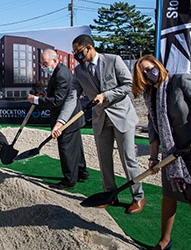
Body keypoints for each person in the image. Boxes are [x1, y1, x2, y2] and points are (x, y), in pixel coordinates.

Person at [132, 55, 191, 250]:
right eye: (142, 73)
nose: (147, 73)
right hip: (172, 150)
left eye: (148, 68)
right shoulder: (150, 95)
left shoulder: (181, 81)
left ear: (157, 65)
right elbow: (154, 126)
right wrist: (152, 157)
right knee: (168, 195)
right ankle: (165, 241)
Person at [59, 34, 145, 214]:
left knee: (128, 158)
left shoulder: (113, 60)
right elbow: (72, 97)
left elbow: (128, 85)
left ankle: (138, 197)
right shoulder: (80, 71)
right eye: (74, 52)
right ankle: (110, 195)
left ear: (89, 48)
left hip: (122, 116)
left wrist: (106, 95)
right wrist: (61, 121)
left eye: (78, 52)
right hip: (101, 120)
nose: (76, 56)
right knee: (104, 160)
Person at [27, 49, 89, 190]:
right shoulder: (60, 71)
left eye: (46, 63)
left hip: (67, 118)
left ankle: (69, 180)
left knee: (66, 148)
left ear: (55, 60)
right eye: (42, 64)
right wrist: (45, 94)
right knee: (76, 146)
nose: (44, 67)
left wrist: (35, 100)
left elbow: (58, 101)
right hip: (73, 117)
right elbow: (58, 93)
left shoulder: (61, 74)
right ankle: (82, 171)